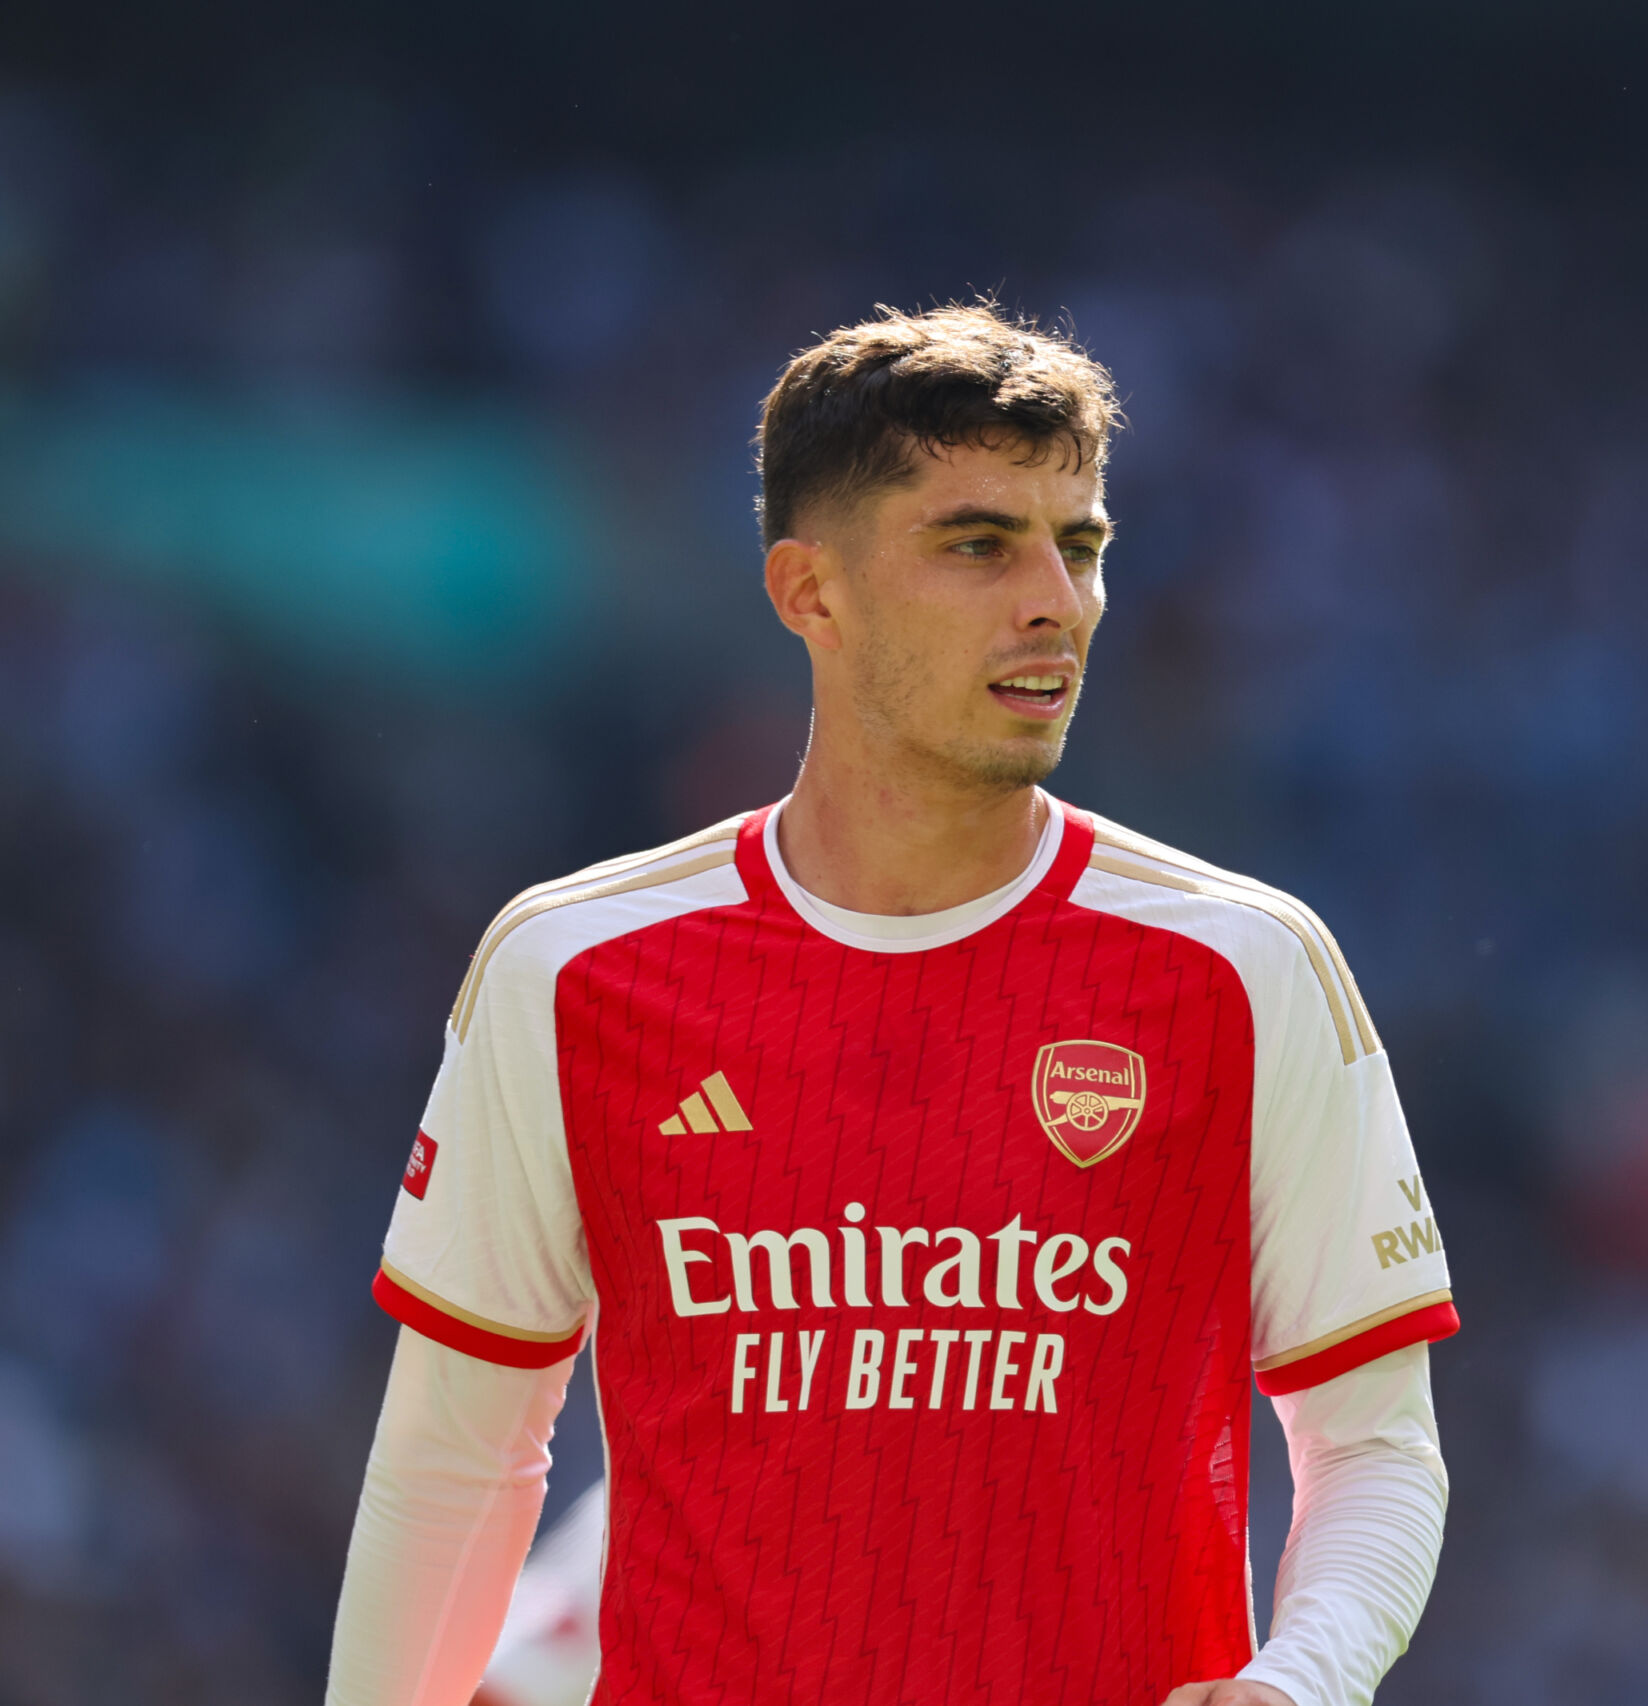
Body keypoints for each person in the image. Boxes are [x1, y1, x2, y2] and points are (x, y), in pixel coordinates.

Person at [326, 304, 1459, 1706]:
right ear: (810, 592)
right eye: (979, 544)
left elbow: (1375, 1447)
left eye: (1080, 545)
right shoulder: (570, 968)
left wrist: (1302, 1680)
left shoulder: (1246, 968)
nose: (1055, 600)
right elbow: (456, 1457)